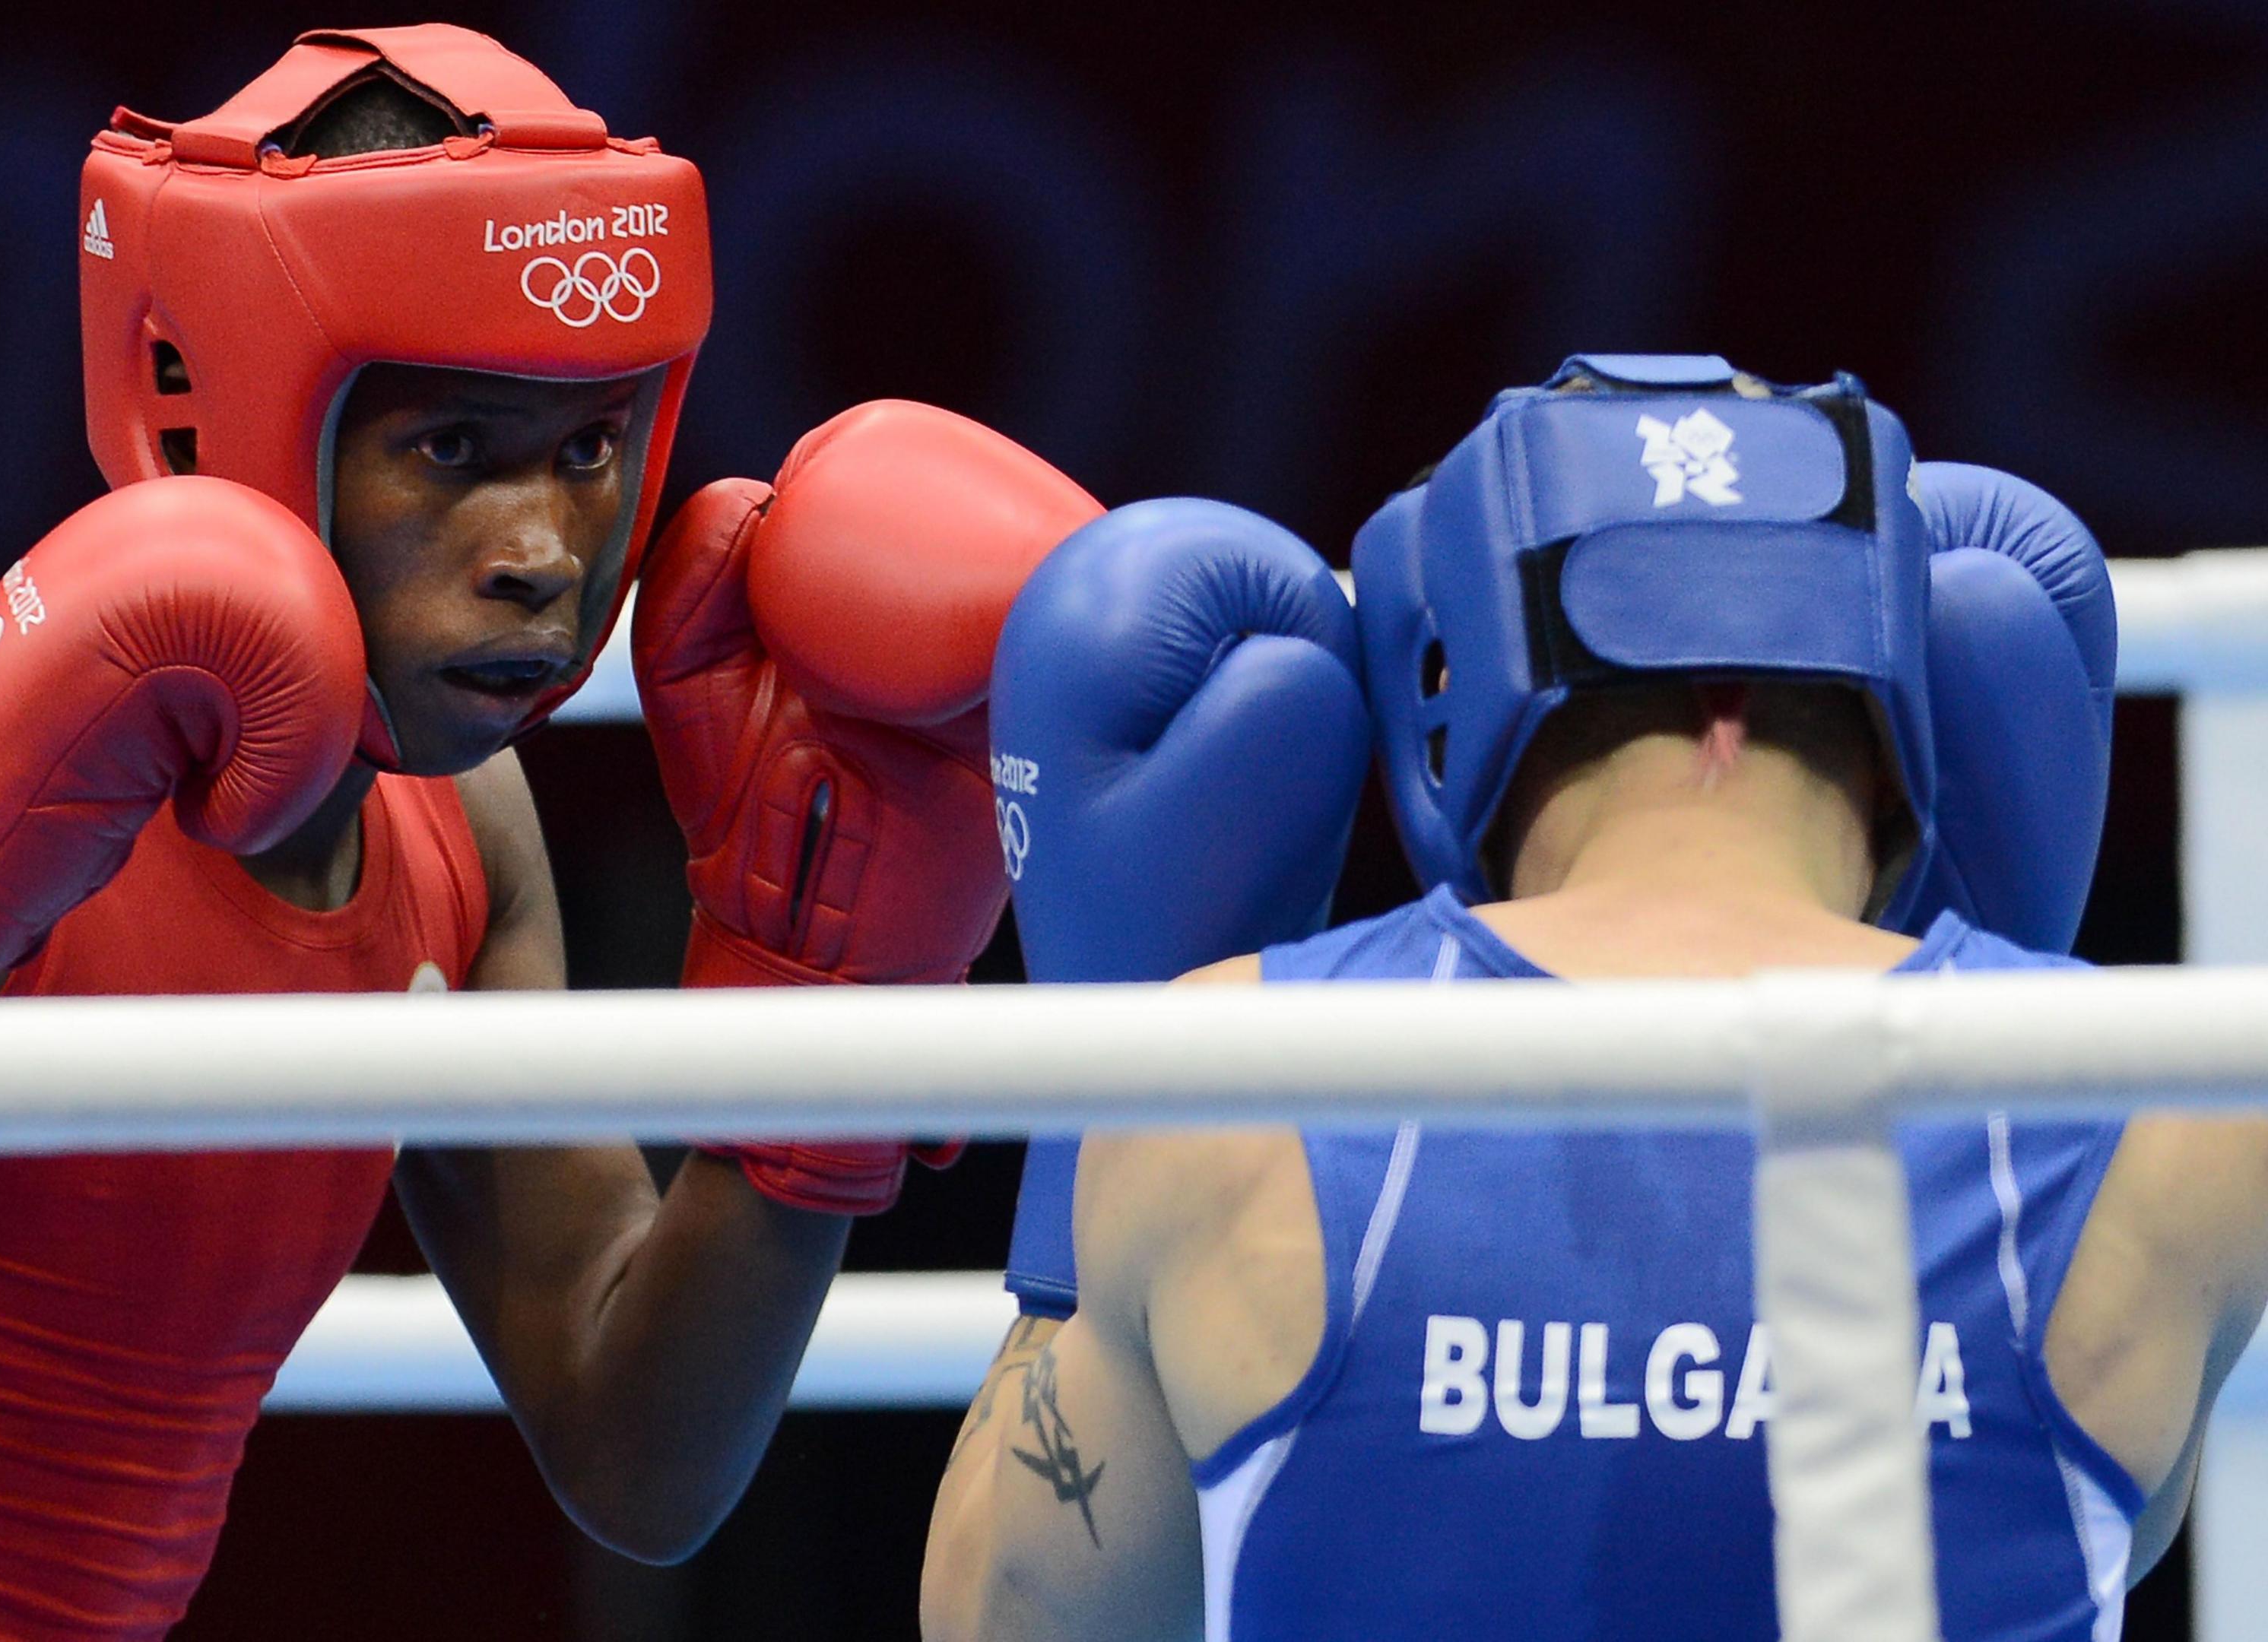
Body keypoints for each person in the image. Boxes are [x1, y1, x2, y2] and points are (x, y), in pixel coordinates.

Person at [0, 27, 1099, 1638]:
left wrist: (815, 1039)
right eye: (451, 447)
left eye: (590, 447)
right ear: (245, 423)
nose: (545, 549)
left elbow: (640, 1457)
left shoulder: (460, 836)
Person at [918, 356, 2232, 1641]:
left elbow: (1017, 1622)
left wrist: (1094, 1091)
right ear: (1910, 701)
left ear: (1457, 690)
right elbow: (2102, 1524)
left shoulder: (1234, 1087)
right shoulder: (2159, 1120)